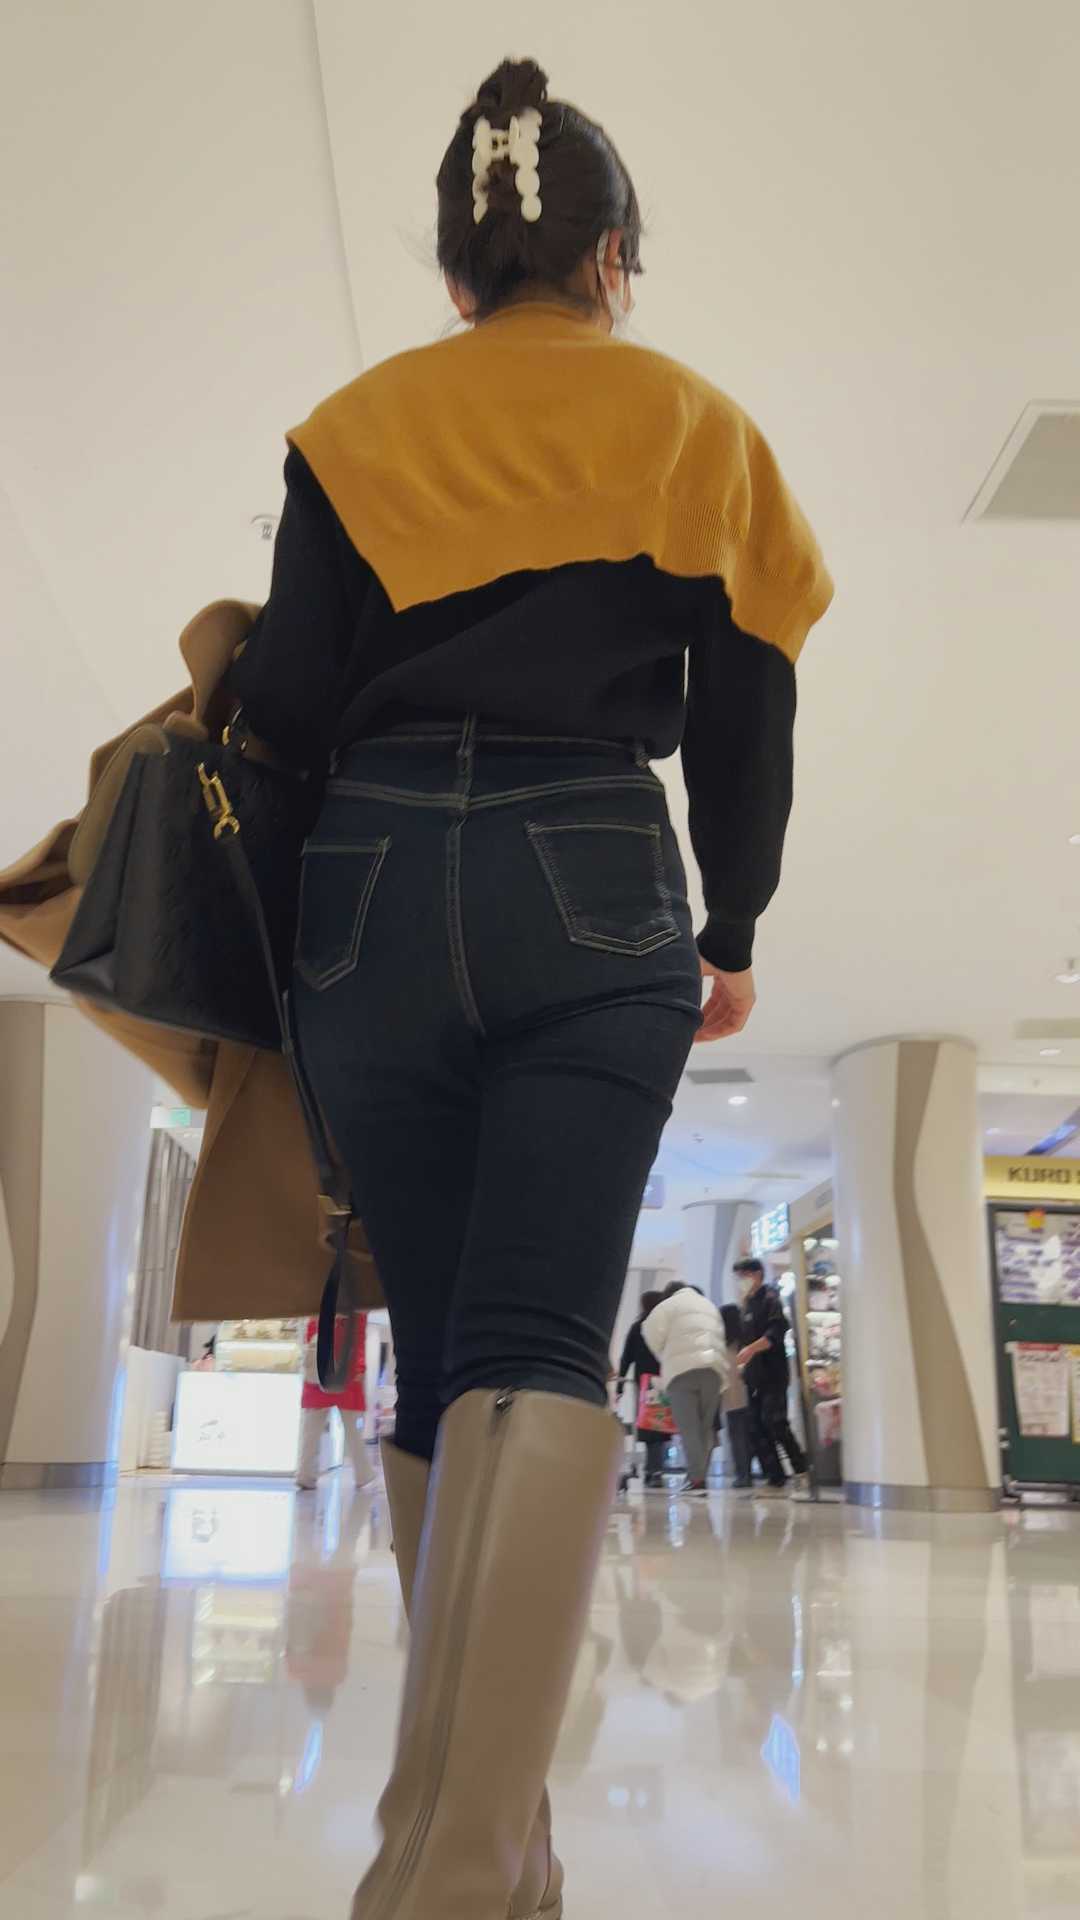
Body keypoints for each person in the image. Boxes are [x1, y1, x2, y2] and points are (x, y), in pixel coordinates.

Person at [226, 54, 831, 1920]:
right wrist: (735, 928)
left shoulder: (353, 429)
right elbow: (745, 717)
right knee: (538, 1347)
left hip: (369, 891)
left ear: (454, 270)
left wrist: (301, 953)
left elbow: (286, 711)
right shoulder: (693, 424)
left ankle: (475, 1831)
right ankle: (465, 1855)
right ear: (613, 254)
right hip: (590, 871)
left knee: (441, 1354)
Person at [642, 1283, 730, 1492]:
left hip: (681, 1371)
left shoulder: (667, 1306)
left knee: (689, 1428)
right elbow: (720, 1337)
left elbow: (650, 1332)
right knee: (705, 1427)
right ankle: (699, 1475)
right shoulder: (709, 1305)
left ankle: (696, 1479)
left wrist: (664, 1354)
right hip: (713, 1370)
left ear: (668, 1294)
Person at [733, 1256, 809, 1491]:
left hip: (773, 1373)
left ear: (757, 1274)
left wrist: (750, 1350)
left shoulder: (770, 1299)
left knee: (774, 1421)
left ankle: (801, 1468)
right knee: (754, 1425)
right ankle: (774, 1476)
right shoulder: (747, 1304)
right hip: (753, 1375)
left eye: (743, 1276)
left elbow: (775, 1333)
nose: (740, 1281)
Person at [296, 1312, 376, 1492]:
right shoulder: (356, 1309)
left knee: (312, 1429)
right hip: (345, 1372)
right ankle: (363, 1474)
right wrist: (359, 1366)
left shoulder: (316, 1305)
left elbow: (310, 1335)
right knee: (351, 1430)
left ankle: (305, 1474)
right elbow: (358, 1338)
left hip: (321, 1372)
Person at [616, 1287, 668, 1486]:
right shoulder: (665, 1327)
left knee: (649, 1425)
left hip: (644, 1383)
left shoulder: (638, 1327)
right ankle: (655, 1470)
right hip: (662, 1381)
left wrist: (620, 1386)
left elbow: (626, 1357)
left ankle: (653, 1470)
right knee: (659, 1425)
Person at [720, 1302, 753, 1488]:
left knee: (736, 1435)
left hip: (730, 1393)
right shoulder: (746, 1339)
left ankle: (742, 1475)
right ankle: (747, 1473)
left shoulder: (721, 1342)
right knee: (747, 1435)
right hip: (748, 1391)